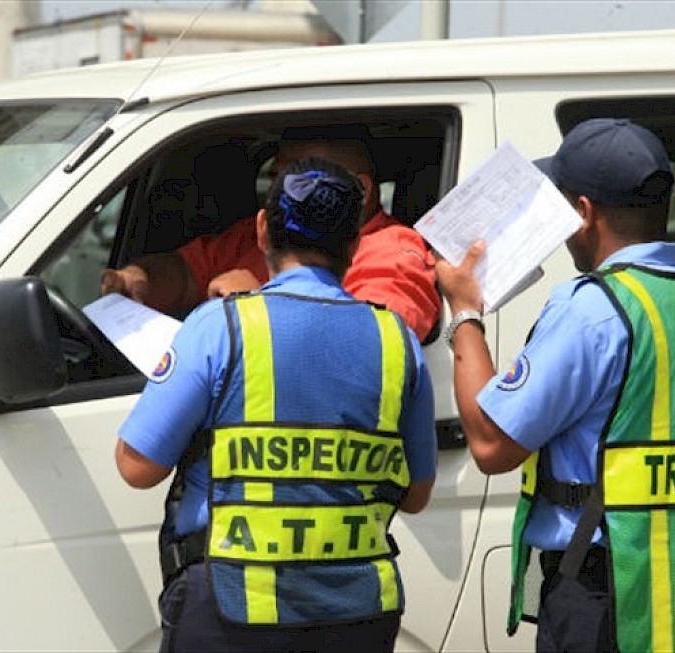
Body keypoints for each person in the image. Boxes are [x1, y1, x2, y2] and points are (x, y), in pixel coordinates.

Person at [115, 156, 437, 652]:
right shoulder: (396, 340)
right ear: (354, 242)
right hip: (355, 613)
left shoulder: (221, 325)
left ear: (263, 229)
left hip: (230, 607)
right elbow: (415, 496)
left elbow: (136, 466)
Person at [435, 118, 675, 653]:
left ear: (584, 213)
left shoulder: (593, 307)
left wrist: (465, 309)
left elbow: (493, 444)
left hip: (607, 593)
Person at [100, 132, 440, 340]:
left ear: (361, 191)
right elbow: (187, 271)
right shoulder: (260, 231)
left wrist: (257, 307)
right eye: (276, 178)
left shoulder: (392, 252)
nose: (280, 192)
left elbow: (373, 349)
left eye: (299, 181)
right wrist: (139, 280)